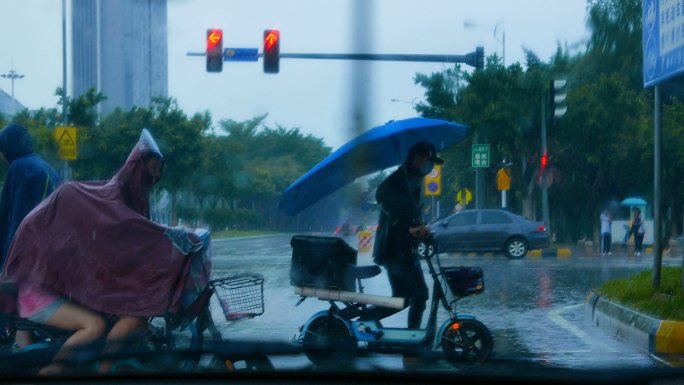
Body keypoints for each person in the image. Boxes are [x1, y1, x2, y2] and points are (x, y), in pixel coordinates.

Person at [0, 129, 208, 375]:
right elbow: (143, 232)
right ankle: (67, 372)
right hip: (36, 289)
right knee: (104, 323)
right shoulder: (99, 198)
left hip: (54, 285)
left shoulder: (110, 204)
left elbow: (135, 239)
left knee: (134, 317)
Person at [0, 124, 62, 349]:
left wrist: (7, 264)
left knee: (13, 287)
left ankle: (21, 345)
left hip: (33, 253)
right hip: (54, 250)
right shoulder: (44, 165)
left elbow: (14, 218)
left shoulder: (19, 167)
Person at [372, 142, 442, 330]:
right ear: (414, 159)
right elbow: (392, 214)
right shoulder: (398, 182)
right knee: (411, 297)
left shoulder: (413, 180)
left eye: (429, 162)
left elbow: (408, 214)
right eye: (424, 160)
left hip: (404, 250)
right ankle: (410, 341)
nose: (427, 165)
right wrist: (410, 230)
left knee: (411, 297)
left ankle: (413, 339)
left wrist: (418, 226)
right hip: (393, 250)